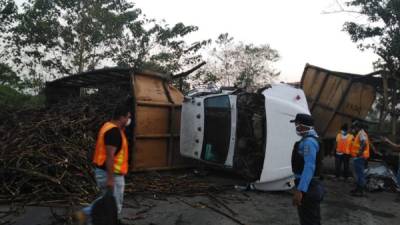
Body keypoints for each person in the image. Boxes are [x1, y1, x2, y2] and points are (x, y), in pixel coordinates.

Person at [75, 103, 132, 225]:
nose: (129, 120)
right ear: (121, 117)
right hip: (111, 174)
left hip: (105, 172)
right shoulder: (113, 132)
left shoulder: (108, 126)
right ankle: (91, 217)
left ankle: (86, 213)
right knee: (113, 207)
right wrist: (111, 179)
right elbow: (110, 157)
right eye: (128, 117)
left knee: (106, 200)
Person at [290, 113, 324, 225]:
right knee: (311, 220)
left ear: (302, 126)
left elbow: (309, 166)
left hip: (309, 187)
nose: (296, 127)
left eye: (297, 124)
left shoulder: (309, 142)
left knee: (309, 221)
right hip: (311, 186)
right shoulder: (309, 140)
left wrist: (301, 190)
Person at [349, 121, 370, 197]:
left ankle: (361, 191)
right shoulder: (360, 133)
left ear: (357, 127)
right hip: (359, 157)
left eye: (354, 127)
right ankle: (358, 188)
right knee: (358, 174)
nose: (354, 129)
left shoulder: (361, 133)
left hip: (360, 157)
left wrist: (359, 152)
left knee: (360, 174)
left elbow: (364, 143)